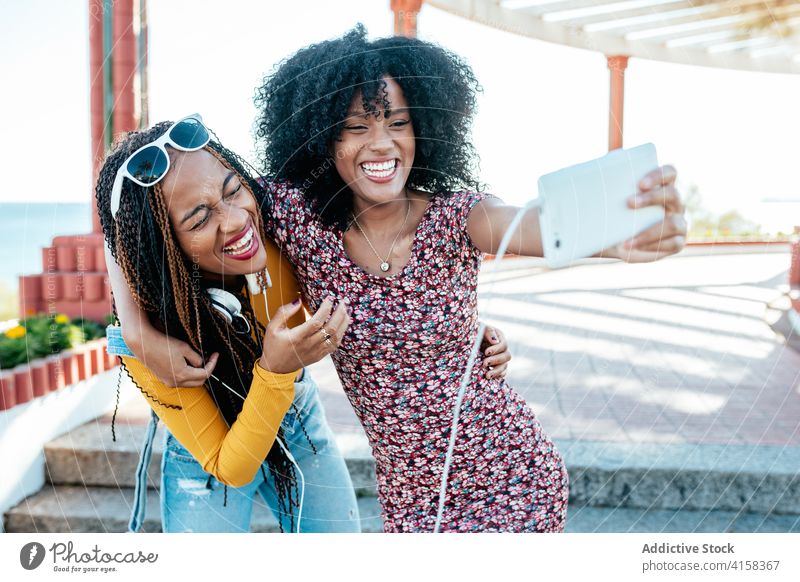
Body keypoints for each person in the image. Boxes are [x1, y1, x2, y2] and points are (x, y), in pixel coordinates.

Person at [115, 27, 687, 532]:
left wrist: (611, 234)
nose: (382, 143)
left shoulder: (457, 216)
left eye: (398, 122)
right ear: (322, 141)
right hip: (412, 502)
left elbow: (529, 222)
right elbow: (136, 218)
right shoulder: (295, 217)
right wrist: (136, 331)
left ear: (426, 129)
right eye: (355, 127)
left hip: (511, 479)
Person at [99, 115, 515, 533]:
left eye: (231, 190)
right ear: (161, 243)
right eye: (199, 219)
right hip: (207, 449)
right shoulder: (152, 344)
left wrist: (459, 330)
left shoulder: (278, 222)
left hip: (296, 418)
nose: (235, 220)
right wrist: (136, 331)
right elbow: (231, 466)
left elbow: (385, 263)